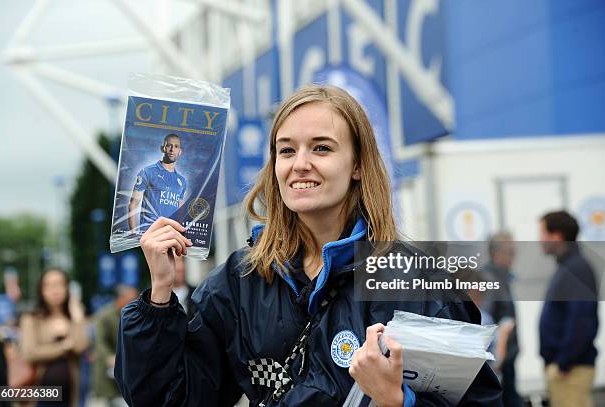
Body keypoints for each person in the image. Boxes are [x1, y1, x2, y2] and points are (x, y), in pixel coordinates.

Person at [115, 85, 503, 406]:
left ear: (358, 166)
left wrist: (397, 402)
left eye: (321, 148)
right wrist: (160, 298)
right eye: (286, 150)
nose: (300, 163)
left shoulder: (417, 282)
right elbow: (168, 400)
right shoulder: (239, 281)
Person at [538, 211, 599, 407]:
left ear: (557, 236)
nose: (539, 240)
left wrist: (564, 362)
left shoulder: (576, 268)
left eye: (543, 233)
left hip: (570, 370)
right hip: (566, 368)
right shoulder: (567, 267)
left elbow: (581, 320)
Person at [19, 269, 89, 407]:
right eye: (49, 285)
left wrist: (77, 319)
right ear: (41, 290)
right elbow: (29, 353)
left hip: (70, 394)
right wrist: (63, 346)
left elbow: (81, 346)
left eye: (59, 284)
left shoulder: (73, 317)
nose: (55, 290)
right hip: (41, 395)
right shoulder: (32, 318)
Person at [482, 232, 522, 407]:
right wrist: (498, 357)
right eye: (511, 252)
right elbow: (486, 322)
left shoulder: (502, 278)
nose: (514, 257)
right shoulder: (491, 280)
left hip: (505, 358)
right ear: (498, 254)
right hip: (498, 360)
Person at [128, 133, 187, 233]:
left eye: (176, 146)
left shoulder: (182, 181)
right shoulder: (147, 172)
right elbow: (133, 204)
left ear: (180, 152)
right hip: (149, 234)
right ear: (162, 148)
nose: (172, 149)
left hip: (170, 235)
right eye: (169, 145)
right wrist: (133, 234)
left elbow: (180, 212)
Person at [91, 284, 138, 406]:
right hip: (108, 375)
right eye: (130, 299)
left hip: (131, 375)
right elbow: (99, 341)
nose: (135, 302)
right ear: (120, 299)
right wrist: (109, 358)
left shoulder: (136, 316)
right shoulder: (104, 316)